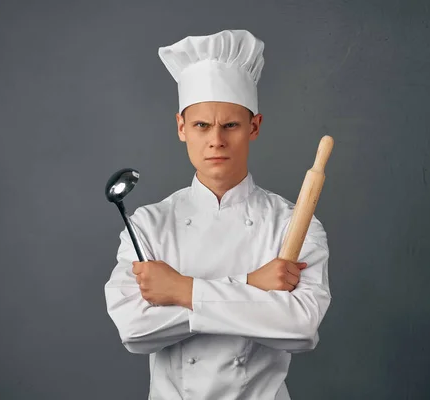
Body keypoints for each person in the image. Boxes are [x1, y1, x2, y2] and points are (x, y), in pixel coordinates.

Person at [104, 29, 332, 400]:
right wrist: (253, 284)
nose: (216, 140)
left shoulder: (293, 224)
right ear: (181, 127)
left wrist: (180, 290)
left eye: (230, 125)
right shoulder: (147, 224)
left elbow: (301, 327)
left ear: (253, 127)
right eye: (201, 126)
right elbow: (134, 329)